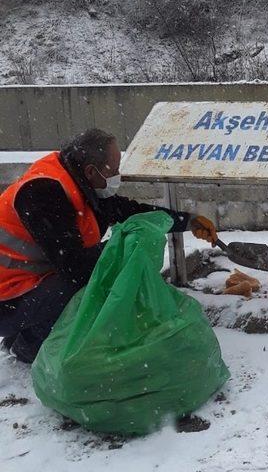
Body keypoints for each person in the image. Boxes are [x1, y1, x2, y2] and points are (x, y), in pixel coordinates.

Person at [0, 128, 217, 363]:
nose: (118, 175)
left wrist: (187, 220)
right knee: (86, 283)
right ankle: (27, 346)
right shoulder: (43, 193)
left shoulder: (79, 180)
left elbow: (127, 211)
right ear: (91, 171)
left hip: (30, 286)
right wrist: (121, 249)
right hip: (7, 300)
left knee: (101, 272)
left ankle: (32, 335)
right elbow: (76, 269)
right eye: (113, 170)